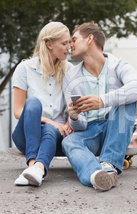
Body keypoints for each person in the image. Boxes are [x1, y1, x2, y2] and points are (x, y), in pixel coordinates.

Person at [62, 22, 137, 191]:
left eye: (74, 39)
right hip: (90, 131)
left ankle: (108, 165)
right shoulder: (70, 75)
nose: (70, 45)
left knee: (128, 98)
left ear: (90, 39)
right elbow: (79, 126)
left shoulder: (118, 65)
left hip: (116, 127)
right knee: (69, 142)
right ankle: (97, 176)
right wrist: (73, 116)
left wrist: (102, 101)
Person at [12, 22, 73, 186]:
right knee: (32, 103)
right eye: (64, 43)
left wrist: (68, 123)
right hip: (26, 135)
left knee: (50, 129)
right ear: (49, 44)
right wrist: (49, 120)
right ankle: (32, 164)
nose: (69, 47)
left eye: (70, 42)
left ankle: (35, 170)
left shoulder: (70, 70)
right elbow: (18, 111)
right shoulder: (24, 68)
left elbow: (74, 106)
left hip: (56, 136)